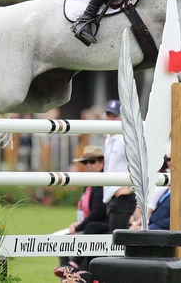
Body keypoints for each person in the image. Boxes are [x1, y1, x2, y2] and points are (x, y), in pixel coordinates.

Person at [54, 145, 107, 277]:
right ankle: (68, 271)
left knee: (87, 230)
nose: (88, 165)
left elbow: (99, 213)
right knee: (63, 240)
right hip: (89, 226)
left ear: (102, 162)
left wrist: (78, 227)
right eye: (85, 162)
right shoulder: (89, 183)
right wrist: (76, 225)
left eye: (92, 161)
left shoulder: (102, 183)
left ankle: (73, 266)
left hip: (100, 226)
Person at [130, 146, 181, 233]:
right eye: (169, 159)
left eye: (175, 159)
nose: (170, 163)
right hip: (155, 230)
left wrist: (148, 229)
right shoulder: (172, 181)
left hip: (168, 235)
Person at [101, 100, 138, 232]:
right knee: (115, 242)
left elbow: (144, 163)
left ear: (122, 117)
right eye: (108, 115)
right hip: (112, 196)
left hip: (122, 197)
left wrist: (131, 188)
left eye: (114, 116)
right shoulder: (108, 138)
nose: (110, 119)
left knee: (118, 245)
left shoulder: (125, 139)